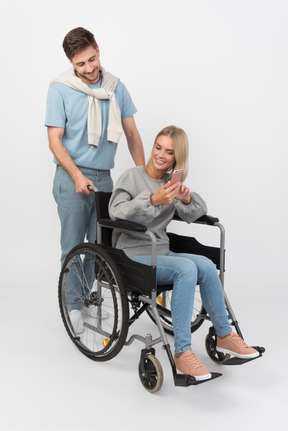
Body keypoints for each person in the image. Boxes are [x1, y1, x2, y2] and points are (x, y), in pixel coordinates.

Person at [108, 125, 259, 381]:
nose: (161, 155)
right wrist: (152, 201)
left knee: (207, 265)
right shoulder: (131, 177)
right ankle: (182, 353)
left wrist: (187, 199)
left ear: (176, 159)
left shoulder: (171, 184)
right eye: (158, 147)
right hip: (131, 255)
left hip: (162, 252)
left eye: (169, 152)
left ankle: (224, 335)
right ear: (153, 147)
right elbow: (115, 212)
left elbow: (195, 212)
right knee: (187, 268)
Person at [45, 28, 145, 328]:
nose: (89, 69)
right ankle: (73, 307)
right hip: (71, 177)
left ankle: (86, 298)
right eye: (81, 65)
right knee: (74, 246)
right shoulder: (59, 88)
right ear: (71, 64)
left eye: (91, 60)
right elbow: (54, 141)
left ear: (98, 50)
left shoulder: (116, 87)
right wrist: (76, 175)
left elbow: (131, 134)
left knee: (102, 247)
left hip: (104, 179)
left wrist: (142, 177)